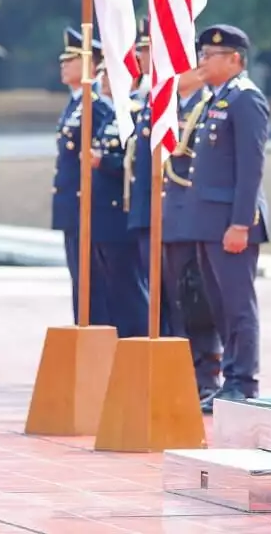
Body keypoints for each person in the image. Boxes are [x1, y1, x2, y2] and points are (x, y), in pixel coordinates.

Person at [186, 25, 269, 414]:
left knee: (237, 305)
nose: (203, 61)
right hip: (208, 220)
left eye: (210, 55)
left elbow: (251, 168)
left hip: (232, 222)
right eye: (201, 54)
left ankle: (243, 381)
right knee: (218, 304)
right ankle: (229, 379)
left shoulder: (245, 99)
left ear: (234, 59)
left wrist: (241, 223)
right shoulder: (214, 100)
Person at [161, 67, 223, 400]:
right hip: (172, 216)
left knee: (199, 301)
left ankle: (208, 377)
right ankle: (189, 377)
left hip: (194, 215)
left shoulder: (207, 105)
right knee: (178, 303)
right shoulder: (174, 106)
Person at [52, 27, 112, 326]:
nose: (63, 64)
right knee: (80, 281)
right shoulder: (76, 105)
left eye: (71, 59)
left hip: (88, 207)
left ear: (91, 64)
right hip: (73, 208)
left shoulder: (95, 105)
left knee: (92, 285)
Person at [90, 68, 150, 338]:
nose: (103, 78)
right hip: (103, 214)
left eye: (109, 73)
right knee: (112, 290)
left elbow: (134, 163)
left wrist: (104, 162)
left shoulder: (135, 113)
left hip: (121, 213)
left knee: (131, 290)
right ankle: (121, 343)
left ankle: (135, 343)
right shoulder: (112, 113)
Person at [124, 17, 173, 335]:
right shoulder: (145, 102)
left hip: (166, 213)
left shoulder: (169, 101)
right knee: (155, 293)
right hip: (144, 210)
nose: (140, 57)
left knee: (172, 296)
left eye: (147, 50)